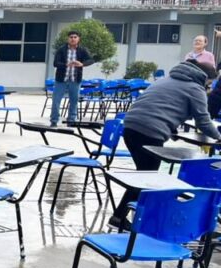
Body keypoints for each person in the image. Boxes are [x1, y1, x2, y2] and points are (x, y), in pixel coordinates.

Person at [109, 59, 221, 230]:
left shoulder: (166, 79)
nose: (209, 86)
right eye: (210, 82)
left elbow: (160, 106)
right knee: (147, 177)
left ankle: (124, 216)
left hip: (130, 127)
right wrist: (218, 137)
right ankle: (122, 216)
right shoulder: (195, 88)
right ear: (204, 77)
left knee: (145, 174)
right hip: (149, 132)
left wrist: (171, 130)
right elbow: (204, 122)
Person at [50, 30, 95, 126]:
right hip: (61, 80)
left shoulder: (82, 50)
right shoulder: (61, 49)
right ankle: (54, 120)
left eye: (75, 37)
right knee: (56, 100)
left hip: (75, 79)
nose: (73, 39)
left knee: (74, 100)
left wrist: (82, 64)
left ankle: (71, 120)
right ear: (68, 39)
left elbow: (91, 60)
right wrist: (66, 64)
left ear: (79, 39)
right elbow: (55, 63)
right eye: (71, 37)